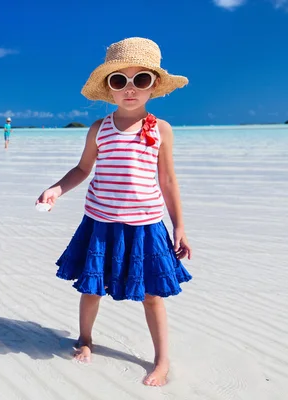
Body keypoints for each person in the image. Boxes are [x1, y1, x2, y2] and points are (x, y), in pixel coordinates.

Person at [36, 37, 192, 387]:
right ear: (109, 88)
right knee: (91, 288)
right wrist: (56, 189)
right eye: (119, 80)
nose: (130, 88)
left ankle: (162, 359)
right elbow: (81, 170)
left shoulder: (161, 130)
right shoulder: (100, 129)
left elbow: (167, 180)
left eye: (141, 80)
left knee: (152, 295)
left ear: (153, 85)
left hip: (146, 226)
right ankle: (85, 339)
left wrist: (179, 225)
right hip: (101, 223)